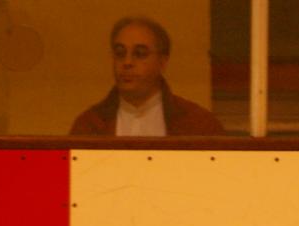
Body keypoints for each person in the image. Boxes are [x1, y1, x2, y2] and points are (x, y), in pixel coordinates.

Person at [69, 16, 224, 136]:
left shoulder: (198, 125)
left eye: (140, 53)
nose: (127, 62)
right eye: (120, 53)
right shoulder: (89, 125)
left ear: (162, 62)